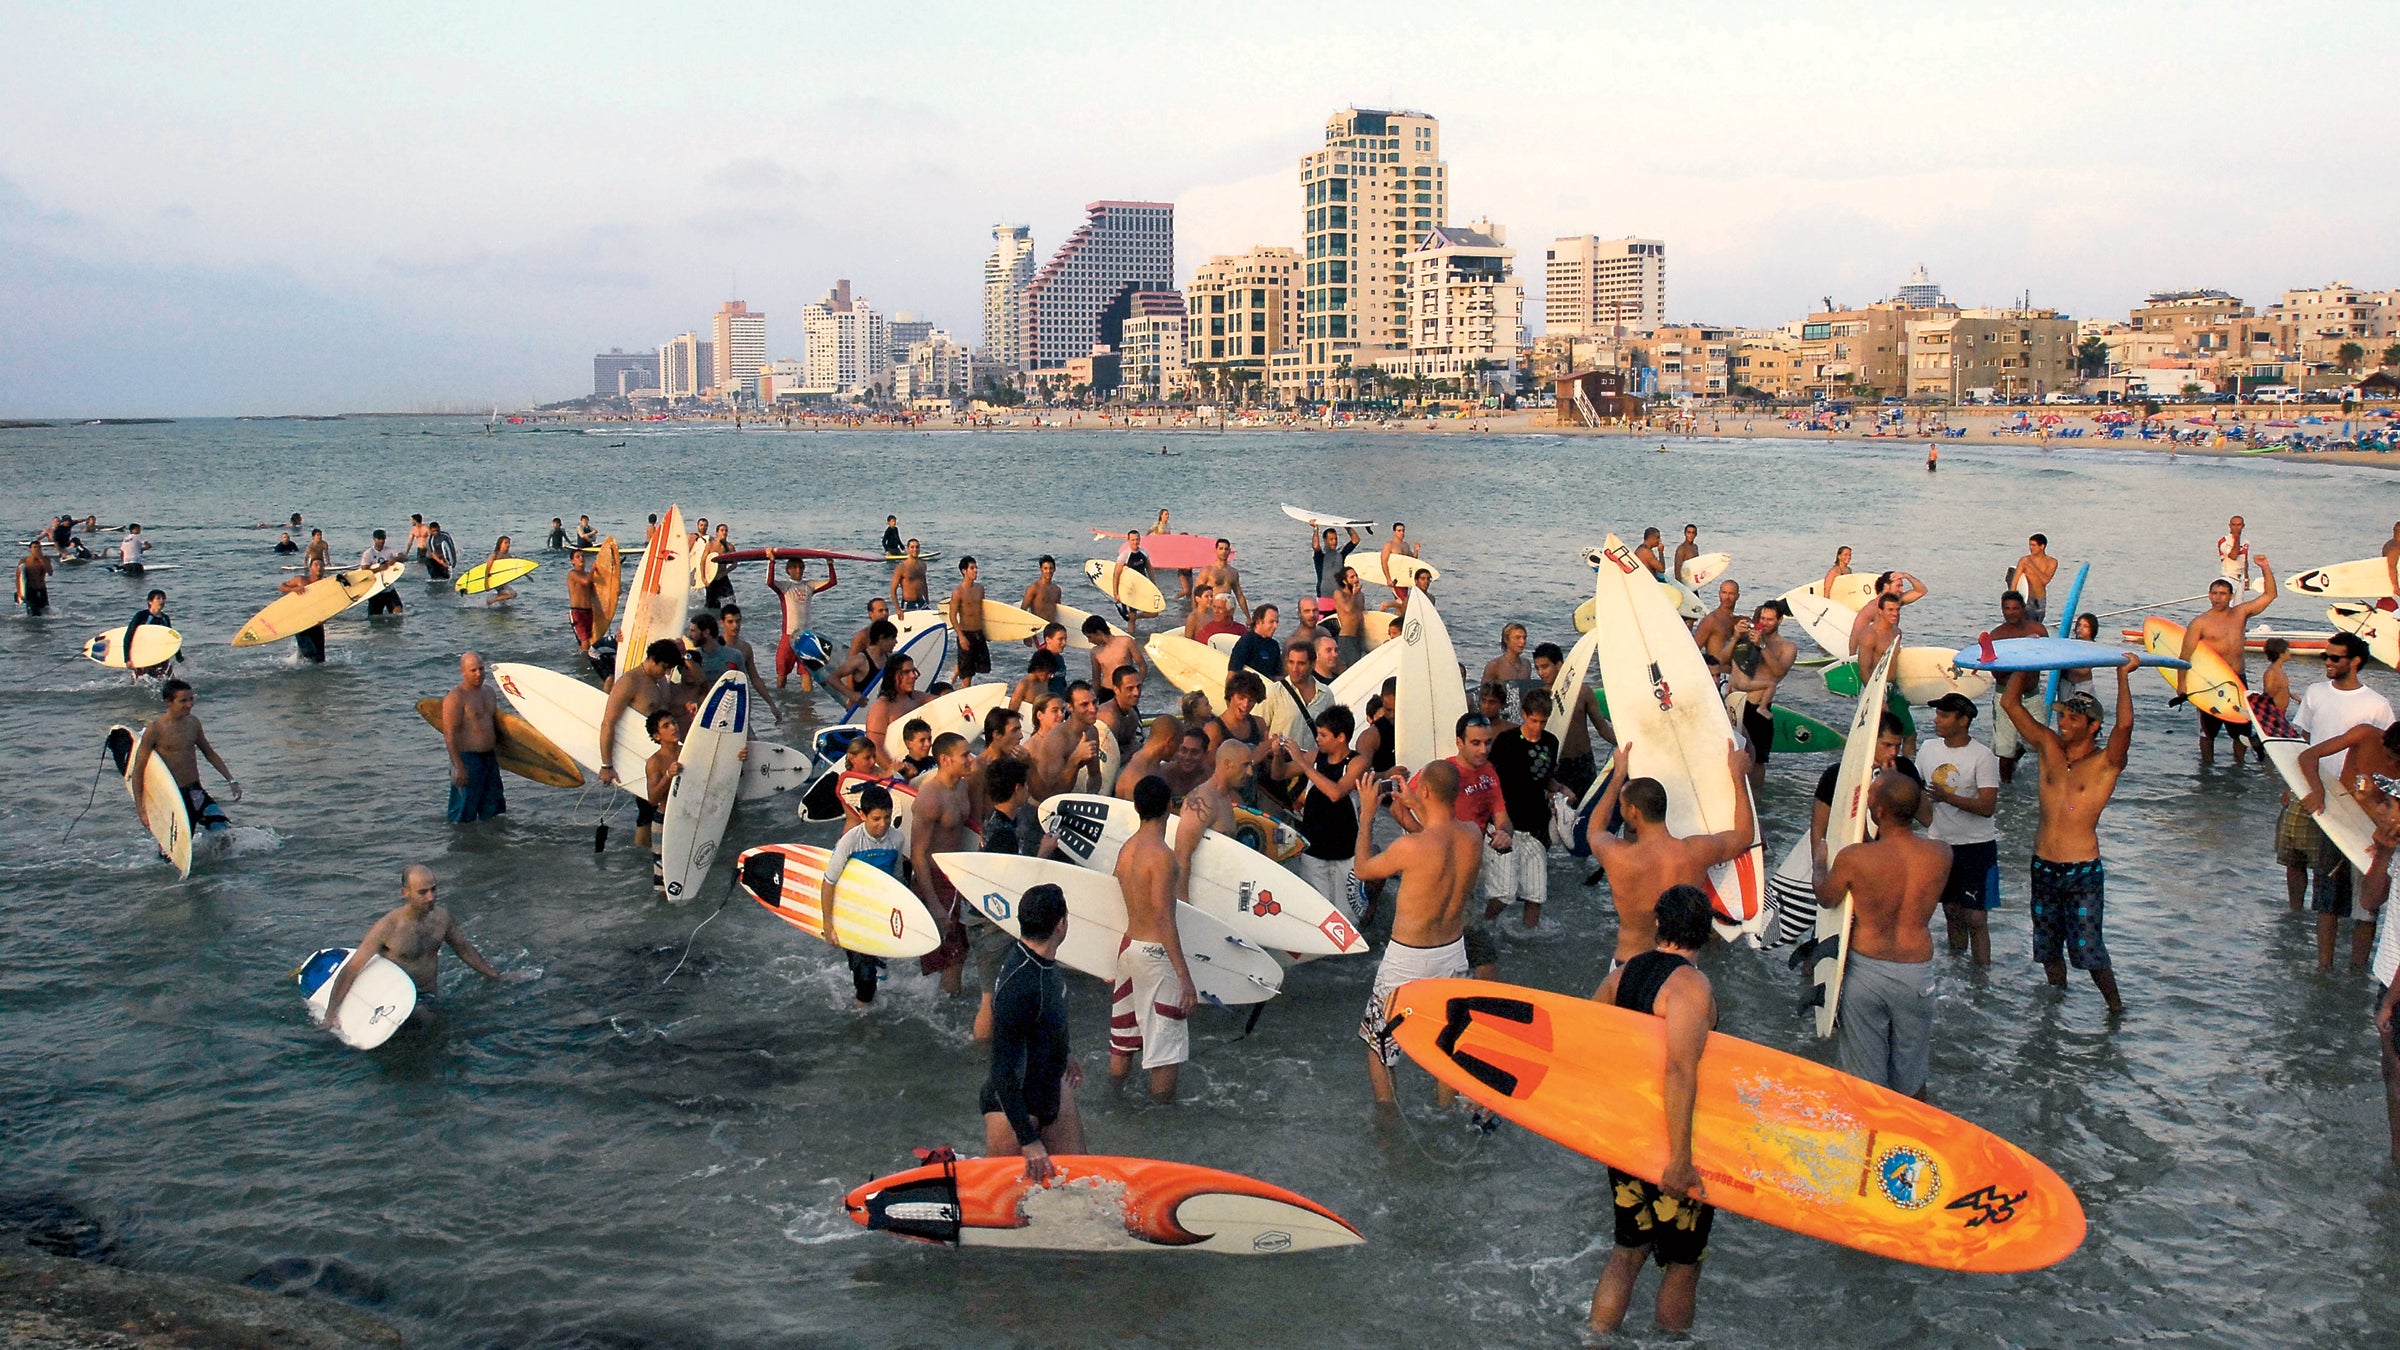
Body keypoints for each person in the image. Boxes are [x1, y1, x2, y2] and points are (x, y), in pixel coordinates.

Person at [1588, 883, 1718, 1336]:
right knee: (1683, 1264)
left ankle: (1596, 1343)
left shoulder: (1625, 973)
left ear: (1659, 924)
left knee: (1627, 1251)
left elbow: (1590, 1032)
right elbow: (1681, 1070)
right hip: (1670, 1144)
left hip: (1627, 1142)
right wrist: (1681, 1159)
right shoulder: (1691, 986)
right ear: (1706, 932)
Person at [1998, 660, 2141, 1014]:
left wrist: (2122, 677)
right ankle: (2055, 1008)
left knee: (2089, 950)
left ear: (2093, 727)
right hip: (2043, 865)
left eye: (2072, 719)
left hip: (2082, 871)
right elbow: (2009, 705)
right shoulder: (2048, 746)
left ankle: (2116, 1010)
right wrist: (2028, 658)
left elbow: (2125, 725)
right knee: (2047, 948)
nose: (2062, 723)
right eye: (2061, 716)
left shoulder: (2106, 762)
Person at [1352, 760, 1481, 1107]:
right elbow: (1438, 823)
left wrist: (1366, 816)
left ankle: (1389, 1124)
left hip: (1408, 958)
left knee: (1379, 1046)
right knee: (1447, 1044)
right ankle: (1445, 1114)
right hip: (1453, 952)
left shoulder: (1411, 848)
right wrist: (1416, 803)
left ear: (1424, 792)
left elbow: (1363, 868)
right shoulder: (1473, 835)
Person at [1817, 775, 1949, 1097]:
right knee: (1913, 1079)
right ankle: (1911, 1141)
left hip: (1867, 972)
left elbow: (1826, 897)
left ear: (1877, 811)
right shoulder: (1941, 854)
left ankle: (1867, 1142)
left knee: (1864, 1083)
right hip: (1916, 974)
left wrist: (1820, 862)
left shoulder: (1854, 858)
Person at [1583, 743, 1757, 974]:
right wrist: (1737, 776)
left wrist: (1618, 776)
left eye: (1624, 806)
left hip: (1628, 965)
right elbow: (1744, 835)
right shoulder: (1695, 852)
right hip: (1677, 969)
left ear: (1633, 811)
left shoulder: (1619, 857)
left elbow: (1594, 830)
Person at [2288, 633, 2396, 970]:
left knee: (2366, 909)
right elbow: (2308, 753)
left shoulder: (2378, 706)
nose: (2329, 663)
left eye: (2336, 658)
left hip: (2370, 832)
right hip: (2335, 812)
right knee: (2327, 898)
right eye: (2390, 755)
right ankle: (2324, 967)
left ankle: (2357, 972)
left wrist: (2384, 838)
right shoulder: (2364, 734)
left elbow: (2386, 800)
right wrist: (2315, 790)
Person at [315, 865, 525, 1027]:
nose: (431, 897)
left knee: (432, 1023)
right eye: (422, 892)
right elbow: (353, 968)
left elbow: (464, 949)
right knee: (429, 1024)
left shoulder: (442, 918)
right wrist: (330, 1014)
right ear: (405, 892)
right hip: (393, 998)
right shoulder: (388, 926)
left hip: (427, 996)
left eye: (434, 889)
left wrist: (496, 976)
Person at [982, 881, 1084, 1179]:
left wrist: (1063, 1052)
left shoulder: (1043, 963)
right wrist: (1028, 1141)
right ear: (1061, 925)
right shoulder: (1020, 983)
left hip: (1051, 1090)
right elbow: (1002, 1071)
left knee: (1079, 1185)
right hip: (1014, 1109)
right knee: (1006, 1202)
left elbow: (1044, 1019)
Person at [1111, 775, 1194, 1102]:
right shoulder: (1161, 856)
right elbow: (1163, 916)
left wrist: (1115, 958)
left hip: (1129, 949)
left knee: (1124, 1036)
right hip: (1155, 956)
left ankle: (1115, 1103)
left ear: (1135, 806)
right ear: (1169, 808)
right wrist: (1184, 976)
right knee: (1165, 1046)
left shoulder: (1126, 850)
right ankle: (1162, 1121)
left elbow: (1123, 905)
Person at [1918, 693, 2002, 966]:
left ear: (1963, 720)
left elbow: (1988, 806)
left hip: (1976, 846)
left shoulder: (1982, 756)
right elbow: (1917, 791)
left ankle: (1981, 978)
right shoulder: (1928, 748)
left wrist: (1947, 798)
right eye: (1937, 714)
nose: (1937, 720)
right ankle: (1957, 973)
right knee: (1951, 911)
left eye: (1944, 715)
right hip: (1940, 845)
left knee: (1976, 918)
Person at [2175, 560, 2276, 764]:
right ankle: (2206, 768)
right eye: (2214, 593)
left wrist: (2264, 567)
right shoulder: (2200, 623)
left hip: (2237, 680)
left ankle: (2239, 766)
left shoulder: (2240, 614)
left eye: (2222, 594)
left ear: (2230, 596)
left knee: (2242, 729)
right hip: (2210, 684)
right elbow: (2184, 656)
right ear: (2209, 595)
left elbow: (2270, 595)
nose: (2218, 598)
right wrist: (2181, 683)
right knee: (2207, 732)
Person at [824, 783, 907, 1010]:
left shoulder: (897, 839)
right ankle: (863, 1020)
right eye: (876, 819)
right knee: (866, 978)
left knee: (877, 971)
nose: (883, 825)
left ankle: (870, 1010)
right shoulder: (849, 841)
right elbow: (829, 882)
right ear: (862, 816)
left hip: (879, 912)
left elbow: (898, 880)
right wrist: (828, 923)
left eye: (887, 818)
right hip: (852, 912)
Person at [908, 733, 979, 998]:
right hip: (935, 880)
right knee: (951, 955)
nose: (970, 759)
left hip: (957, 877)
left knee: (961, 951)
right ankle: (947, 1012)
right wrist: (935, 904)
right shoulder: (930, 798)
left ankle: (948, 1001)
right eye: (964, 755)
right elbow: (917, 855)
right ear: (945, 760)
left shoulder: (962, 785)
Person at [1487, 690, 1563, 929]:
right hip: (1505, 824)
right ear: (1523, 714)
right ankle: (1484, 925)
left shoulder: (1551, 742)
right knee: (1504, 894)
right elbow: (1491, 779)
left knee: (1536, 894)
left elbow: (1545, 778)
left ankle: (1529, 938)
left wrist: (1560, 789)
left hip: (1536, 826)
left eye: (1543, 722)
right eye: (1533, 720)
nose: (1538, 727)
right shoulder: (1506, 741)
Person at [598, 639, 686, 846]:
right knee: (646, 810)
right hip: (640, 756)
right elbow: (608, 723)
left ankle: (664, 852)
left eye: (669, 668)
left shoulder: (661, 680)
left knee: (669, 805)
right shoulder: (630, 681)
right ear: (652, 660)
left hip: (666, 753)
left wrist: (686, 710)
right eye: (664, 667)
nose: (666, 672)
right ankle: (643, 859)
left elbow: (668, 715)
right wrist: (606, 765)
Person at [129, 679, 241, 842]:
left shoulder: (193, 723)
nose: (189, 704)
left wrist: (231, 779)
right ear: (168, 702)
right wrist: (141, 809)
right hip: (173, 797)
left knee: (223, 834)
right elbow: (138, 770)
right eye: (183, 701)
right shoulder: (155, 729)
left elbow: (209, 753)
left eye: (191, 699)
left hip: (196, 792)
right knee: (174, 852)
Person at [1721, 602, 1797, 792]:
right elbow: (1721, 661)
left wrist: (1762, 646)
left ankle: (1756, 799)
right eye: (1763, 618)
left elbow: (1779, 672)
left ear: (1779, 620)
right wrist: (1735, 637)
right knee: (1727, 753)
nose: (1765, 622)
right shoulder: (1745, 638)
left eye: (1770, 619)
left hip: (1756, 708)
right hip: (1733, 702)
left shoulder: (1787, 647)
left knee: (1757, 760)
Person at [1985, 591, 2048, 782]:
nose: (2011, 613)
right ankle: (2006, 790)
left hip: (2031, 695)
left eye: (2015, 608)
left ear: (2023, 609)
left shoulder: (2038, 630)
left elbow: (2050, 657)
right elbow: (1996, 673)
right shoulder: (1996, 636)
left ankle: (2048, 782)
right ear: (2002, 610)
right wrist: (2019, 660)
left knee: (2042, 744)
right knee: (2005, 750)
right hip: (2005, 696)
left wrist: (2033, 648)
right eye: (2007, 609)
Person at [441, 652, 506, 824]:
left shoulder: (490, 692)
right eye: (473, 670)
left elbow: (496, 726)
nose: (479, 674)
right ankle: (462, 847)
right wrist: (459, 766)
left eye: (481, 669)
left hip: (490, 758)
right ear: (463, 671)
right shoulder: (455, 698)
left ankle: (490, 845)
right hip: (468, 759)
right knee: (463, 812)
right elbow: (449, 734)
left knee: (493, 810)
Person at [643, 711, 684, 895]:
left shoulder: (689, 751)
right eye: (666, 726)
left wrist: (738, 757)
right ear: (657, 736)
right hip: (664, 820)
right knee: (664, 881)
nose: (673, 727)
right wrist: (668, 775)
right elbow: (652, 798)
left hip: (687, 816)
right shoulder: (655, 761)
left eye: (674, 722)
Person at [946, 555, 991, 680]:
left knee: (982, 668)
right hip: (966, 634)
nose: (975, 570)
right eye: (972, 568)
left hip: (979, 633)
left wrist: (988, 632)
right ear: (964, 571)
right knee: (967, 675)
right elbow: (952, 615)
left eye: (976, 567)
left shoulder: (980, 589)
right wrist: (961, 636)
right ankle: (963, 690)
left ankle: (957, 669)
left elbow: (983, 612)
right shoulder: (958, 592)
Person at [124, 589, 177, 679]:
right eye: (158, 598)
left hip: (161, 655)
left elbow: (171, 639)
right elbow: (128, 636)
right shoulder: (141, 616)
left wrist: (179, 657)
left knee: (170, 681)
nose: (162, 601)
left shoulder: (165, 618)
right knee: (141, 680)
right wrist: (127, 659)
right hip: (144, 654)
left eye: (164, 598)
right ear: (150, 601)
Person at [1195, 538, 1249, 621]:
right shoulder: (1208, 570)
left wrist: (1248, 617)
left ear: (1229, 551)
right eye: (1221, 549)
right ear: (1216, 550)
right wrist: (1195, 614)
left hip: (1227, 612)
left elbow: (1239, 595)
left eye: (1226, 549)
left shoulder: (1233, 572)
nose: (1223, 551)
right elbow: (1196, 594)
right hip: (1211, 611)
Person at [2011, 534, 2059, 624]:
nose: (2030, 548)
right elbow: (2015, 580)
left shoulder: (2052, 562)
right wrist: (2012, 598)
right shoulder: (2024, 560)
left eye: (2033, 545)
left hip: (2040, 599)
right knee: (2025, 624)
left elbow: (2045, 580)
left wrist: (2031, 565)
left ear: (2042, 546)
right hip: (2026, 598)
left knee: (2037, 624)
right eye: (2030, 545)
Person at [360, 529, 407, 616]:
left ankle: (395, 629)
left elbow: (403, 557)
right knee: (375, 616)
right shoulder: (368, 553)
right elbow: (364, 570)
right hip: (375, 590)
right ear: (374, 539)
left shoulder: (389, 551)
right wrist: (379, 569)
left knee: (398, 611)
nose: (381, 541)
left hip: (389, 588)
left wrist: (395, 559)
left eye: (383, 539)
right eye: (379, 539)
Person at [1312, 524, 1360, 601]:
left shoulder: (1340, 553)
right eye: (1331, 539)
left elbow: (1355, 540)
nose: (1334, 542)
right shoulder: (1320, 555)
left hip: (1340, 596)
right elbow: (1315, 546)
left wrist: (1346, 526)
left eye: (1336, 539)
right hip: (1324, 597)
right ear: (1325, 540)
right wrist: (1316, 528)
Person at [1019, 555, 1062, 624]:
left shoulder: (1057, 590)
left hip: (1050, 627)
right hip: (1037, 627)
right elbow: (1023, 610)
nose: (1048, 571)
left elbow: (1059, 611)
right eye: (1045, 568)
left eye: (1051, 568)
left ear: (1054, 569)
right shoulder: (1034, 588)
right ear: (1041, 569)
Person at [478, 535, 519, 607]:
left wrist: (526, 575)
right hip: (496, 579)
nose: (508, 545)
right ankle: (491, 600)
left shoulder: (508, 556)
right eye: (505, 543)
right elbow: (487, 569)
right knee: (513, 594)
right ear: (500, 544)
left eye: (509, 543)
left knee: (503, 600)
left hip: (502, 580)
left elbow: (515, 566)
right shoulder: (495, 555)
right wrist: (486, 583)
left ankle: (500, 611)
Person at [2217, 514, 2252, 592]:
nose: (2236, 527)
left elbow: (2245, 560)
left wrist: (2246, 578)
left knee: (2239, 604)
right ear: (2229, 526)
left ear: (2243, 526)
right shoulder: (2224, 541)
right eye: (2233, 525)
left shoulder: (2245, 542)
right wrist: (2236, 538)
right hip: (2228, 576)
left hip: (2240, 578)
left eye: (2239, 525)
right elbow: (2233, 556)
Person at [17, 540, 51, 616]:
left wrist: (41, 559)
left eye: (39, 547)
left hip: (42, 589)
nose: (37, 549)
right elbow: (19, 578)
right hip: (30, 590)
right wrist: (20, 593)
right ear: (30, 549)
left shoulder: (45, 559)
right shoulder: (24, 561)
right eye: (35, 547)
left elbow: (50, 572)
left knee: (46, 612)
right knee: (33, 614)